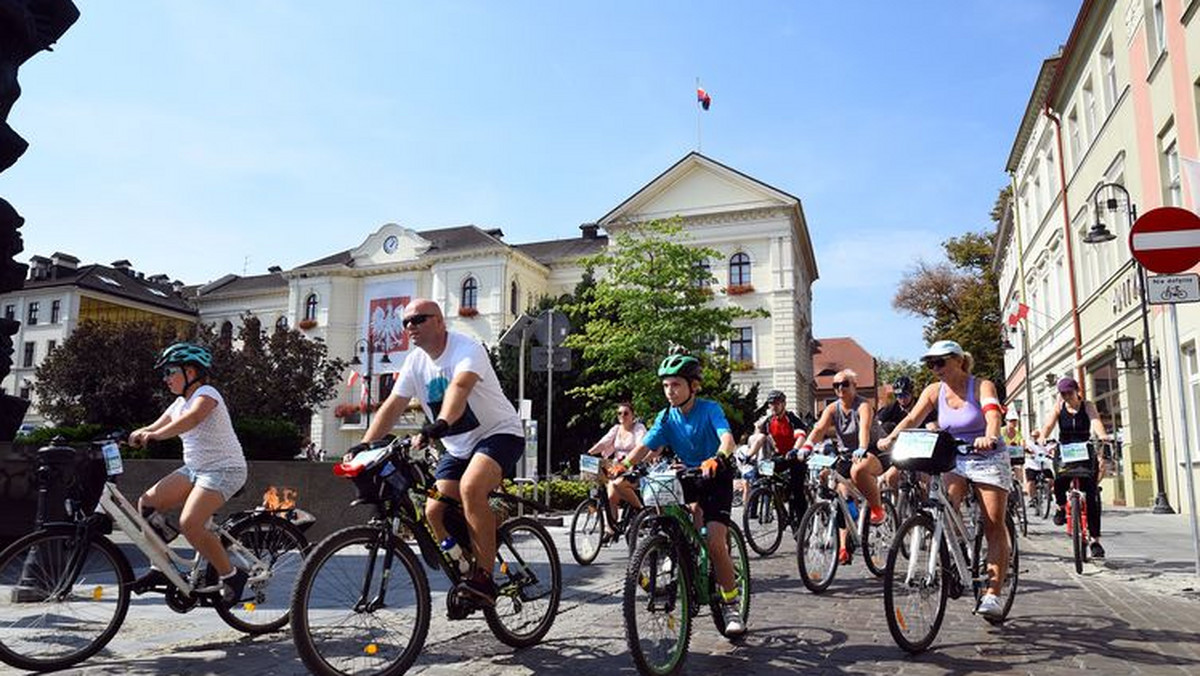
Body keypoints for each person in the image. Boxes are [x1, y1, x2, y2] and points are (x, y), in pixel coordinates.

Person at [358, 299, 525, 606]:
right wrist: (364, 447)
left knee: (471, 488)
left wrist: (442, 423)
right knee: (434, 511)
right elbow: (393, 406)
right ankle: (465, 562)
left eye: (418, 319)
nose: (410, 327)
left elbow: (459, 388)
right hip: (457, 447)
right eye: (405, 322)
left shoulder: (467, 349)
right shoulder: (414, 362)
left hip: (499, 434)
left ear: (439, 322)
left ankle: (484, 579)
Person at [878, 339, 1010, 620]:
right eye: (930, 363)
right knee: (946, 500)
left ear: (959, 360)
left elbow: (993, 414)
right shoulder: (933, 390)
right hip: (955, 455)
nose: (935, 368)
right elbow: (912, 419)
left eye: (940, 362)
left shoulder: (981, 385)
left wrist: (990, 435)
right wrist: (891, 438)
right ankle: (956, 546)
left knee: (993, 523)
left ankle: (993, 593)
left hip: (987, 454)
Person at [619, 350, 745, 636]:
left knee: (714, 541)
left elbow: (727, 439)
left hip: (716, 475)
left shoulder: (710, 409)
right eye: (665, 385)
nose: (669, 391)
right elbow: (646, 446)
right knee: (665, 508)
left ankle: (731, 604)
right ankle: (673, 552)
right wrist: (624, 465)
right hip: (687, 475)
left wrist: (719, 457)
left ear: (693, 386)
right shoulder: (665, 416)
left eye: (675, 384)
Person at [129, 342, 249, 604]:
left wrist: (155, 436)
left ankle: (231, 575)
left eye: (170, 371)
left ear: (191, 373)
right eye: (165, 373)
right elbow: (154, 425)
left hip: (224, 469)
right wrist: (133, 435)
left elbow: (192, 419)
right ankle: (160, 569)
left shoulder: (207, 394)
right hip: (195, 469)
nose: (166, 378)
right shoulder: (178, 404)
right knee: (147, 504)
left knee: (190, 524)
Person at [801, 369, 886, 563]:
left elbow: (864, 428)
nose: (840, 388)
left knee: (858, 471)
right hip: (847, 454)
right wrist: (806, 446)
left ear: (854, 386)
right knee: (835, 490)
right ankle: (843, 547)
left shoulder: (863, 405)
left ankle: (876, 509)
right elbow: (819, 429)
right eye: (836, 385)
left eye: (845, 384)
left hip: (872, 450)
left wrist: (863, 447)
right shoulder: (833, 408)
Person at [1039, 376, 1111, 559]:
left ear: (1077, 391)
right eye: (1063, 394)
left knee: (1092, 495)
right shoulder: (1059, 407)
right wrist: (1042, 437)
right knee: (1061, 481)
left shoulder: (1087, 406)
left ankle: (1095, 540)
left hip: (1085, 449)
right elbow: (1048, 424)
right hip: (1065, 450)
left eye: (1069, 393)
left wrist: (1103, 436)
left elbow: (1096, 422)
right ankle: (1061, 507)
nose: (1066, 397)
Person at [588, 401, 647, 538]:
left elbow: (640, 446)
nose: (622, 416)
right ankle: (611, 527)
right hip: (616, 467)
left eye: (626, 413)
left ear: (633, 415)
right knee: (608, 495)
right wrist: (590, 452)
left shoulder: (639, 428)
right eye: (619, 413)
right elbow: (604, 442)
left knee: (615, 485)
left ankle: (641, 511)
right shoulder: (616, 429)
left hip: (634, 467)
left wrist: (629, 461)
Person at [760, 389, 809, 527]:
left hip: (795, 456)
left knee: (796, 490)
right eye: (771, 404)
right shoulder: (768, 422)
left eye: (776, 403)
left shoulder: (792, 418)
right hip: (780, 457)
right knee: (765, 476)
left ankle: (802, 522)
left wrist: (795, 449)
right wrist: (748, 455)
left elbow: (801, 436)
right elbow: (759, 439)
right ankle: (779, 504)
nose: (773, 406)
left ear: (783, 404)